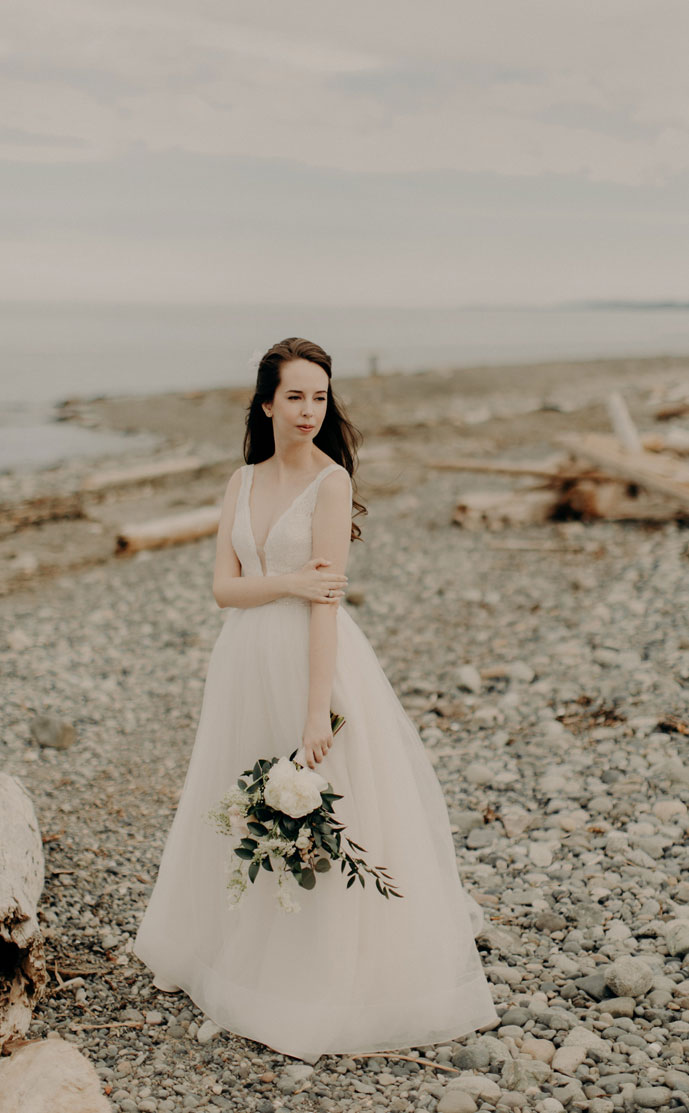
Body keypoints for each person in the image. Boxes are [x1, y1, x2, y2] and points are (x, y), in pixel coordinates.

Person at [133, 337, 497, 1063]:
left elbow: (325, 606)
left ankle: (322, 970)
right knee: (244, 799)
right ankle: (237, 952)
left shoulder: (330, 483)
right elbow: (222, 589)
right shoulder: (239, 482)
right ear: (265, 402)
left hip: (313, 659)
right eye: (294, 396)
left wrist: (314, 712)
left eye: (319, 397)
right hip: (242, 660)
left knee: (320, 803)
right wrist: (288, 583)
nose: (308, 410)